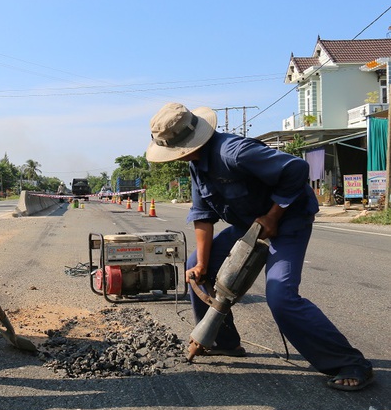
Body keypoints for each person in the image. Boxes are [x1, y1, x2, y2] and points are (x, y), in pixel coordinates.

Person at [145, 102, 374, 391]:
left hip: (289, 220)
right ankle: (221, 341)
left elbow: (296, 169)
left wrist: (273, 215)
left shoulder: (234, 152)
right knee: (196, 268)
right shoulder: (196, 164)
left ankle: (349, 363)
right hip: (248, 225)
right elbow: (203, 216)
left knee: (280, 296)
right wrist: (202, 264)